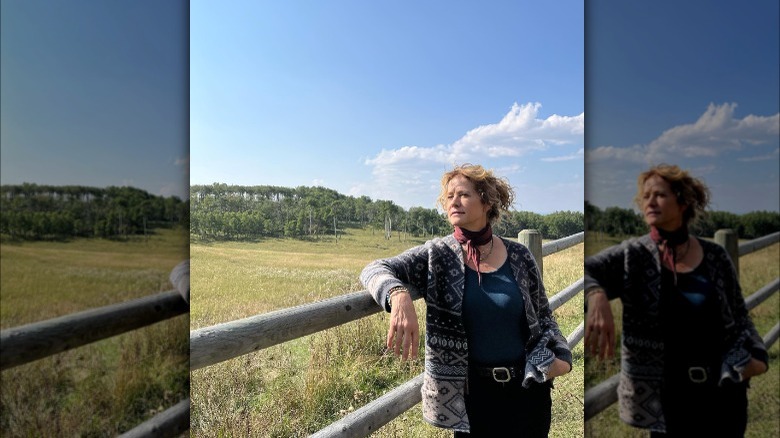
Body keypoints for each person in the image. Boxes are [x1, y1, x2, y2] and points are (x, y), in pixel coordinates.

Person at [360, 164, 572, 437]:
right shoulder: (437, 255)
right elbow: (374, 269)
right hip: (471, 398)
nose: (454, 202)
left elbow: (544, 316)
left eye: (463, 195)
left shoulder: (519, 256)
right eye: (449, 196)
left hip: (528, 390)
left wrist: (562, 358)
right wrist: (398, 295)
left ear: (486, 201)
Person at [584, 164, 769, 437]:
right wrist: (597, 295)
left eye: (659, 194)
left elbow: (740, 316)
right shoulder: (633, 255)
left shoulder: (715, 256)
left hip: (724, 394)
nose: (649, 202)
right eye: (645, 196)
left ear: (683, 201)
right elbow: (586, 269)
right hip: (666, 404)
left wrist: (757, 358)